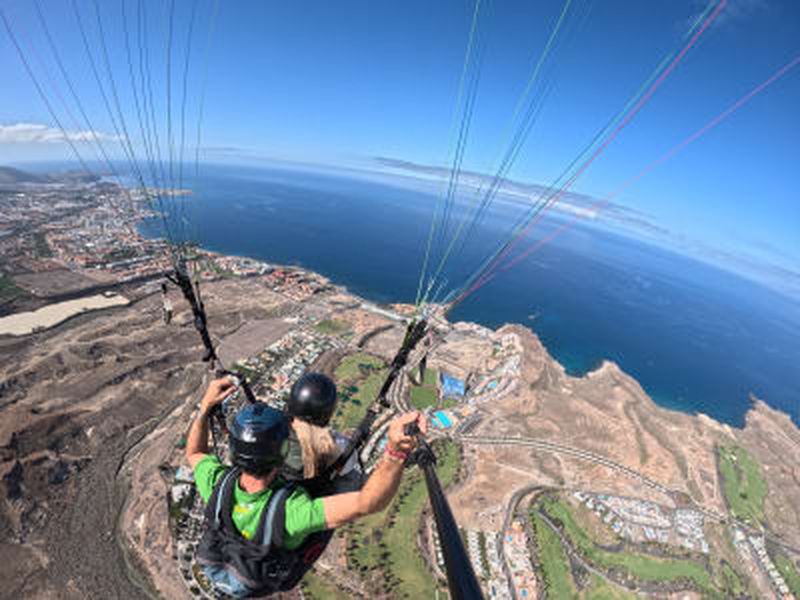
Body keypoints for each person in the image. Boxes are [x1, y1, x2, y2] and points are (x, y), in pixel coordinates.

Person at [185, 377, 425, 598]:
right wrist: (396, 452)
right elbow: (368, 502)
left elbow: (195, 453)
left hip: (224, 562)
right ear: (283, 454)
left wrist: (205, 408)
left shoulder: (217, 483)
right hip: (268, 565)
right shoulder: (292, 513)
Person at [282, 372, 360, 489]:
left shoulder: (273, 429)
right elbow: (350, 464)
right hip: (310, 495)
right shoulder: (337, 445)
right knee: (352, 477)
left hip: (277, 490)